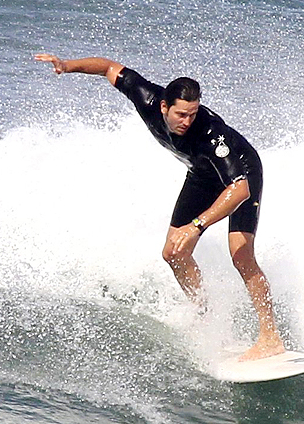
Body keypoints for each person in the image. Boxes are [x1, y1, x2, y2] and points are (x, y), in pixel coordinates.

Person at [35, 54, 285, 361]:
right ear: (164, 107)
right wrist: (66, 65)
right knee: (173, 253)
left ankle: (270, 338)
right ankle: (206, 316)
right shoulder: (148, 99)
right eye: (181, 114)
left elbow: (240, 189)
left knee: (241, 255)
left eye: (193, 114)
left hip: (242, 174)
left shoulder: (211, 135)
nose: (188, 121)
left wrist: (197, 226)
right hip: (202, 174)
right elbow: (109, 68)